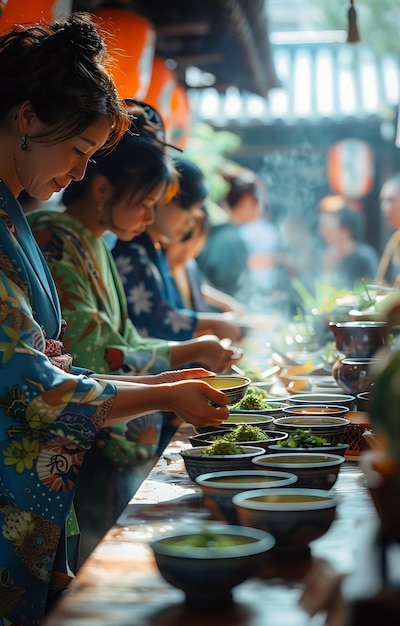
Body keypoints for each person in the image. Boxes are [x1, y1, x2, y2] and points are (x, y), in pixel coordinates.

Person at [0, 15, 231, 625]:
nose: (80, 173)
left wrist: (166, 388)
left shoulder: (18, 219)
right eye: (78, 151)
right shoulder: (42, 228)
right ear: (26, 119)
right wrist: (167, 388)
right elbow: (31, 384)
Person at [28, 101, 242, 557]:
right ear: (103, 190)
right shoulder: (54, 234)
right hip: (81, 439)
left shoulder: (94, 244)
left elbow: (122, 340)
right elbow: (99, 353)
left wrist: (187, 356)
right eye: (145, 204)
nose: (149, 219)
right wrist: (179, 366)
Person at [111, 156, 243, 342]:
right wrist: (214, 324)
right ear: (165, 200)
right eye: (190, 212)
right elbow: (159, 321)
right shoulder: (132, 254)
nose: (189, 224)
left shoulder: (153, 252)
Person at [196, 167, 265, 302]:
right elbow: (233, 286)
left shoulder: (220, 232)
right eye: (259, 200)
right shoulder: (231, 239)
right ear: (247, 200)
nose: (261, 206)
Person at [163, 206, 247, 315]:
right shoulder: (160, 268)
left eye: (195, 245)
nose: (186, 252)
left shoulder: (189, 266)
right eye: (183, 241)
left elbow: (199, 289)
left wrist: (228, 304)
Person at [318, 205, 380, 291]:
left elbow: (372, 293)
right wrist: (328, 271)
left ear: (345, 231)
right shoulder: (330, 258)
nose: (322, 232)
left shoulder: (363, 258)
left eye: (327, 228)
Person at [375, 171, 400, 287]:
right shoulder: (397, 239)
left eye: (391, 200)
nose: (384, 207)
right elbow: (381, 285)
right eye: (382, 201)